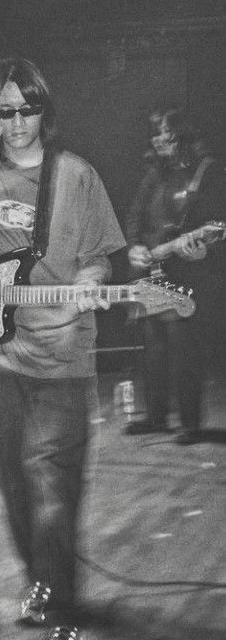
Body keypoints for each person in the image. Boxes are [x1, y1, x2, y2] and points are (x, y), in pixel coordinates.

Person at [0, 57, 126, 640]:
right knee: (15, 486)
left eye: (28, 108)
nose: (17, 123)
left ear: (45, 108)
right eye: (4, 111)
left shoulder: (77, 175)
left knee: (55, 493)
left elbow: (101, 257)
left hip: (63, 359)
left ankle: (64, 617)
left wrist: (90, 280)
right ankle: (38, 577)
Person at [125, 108, 226, 444]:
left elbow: (218, 225)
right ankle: (155, 418)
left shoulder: (206, 171)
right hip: (152, 272)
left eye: (166, 134)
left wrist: (203, 245)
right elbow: (135, 217)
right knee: (153, 348)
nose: (160, 141)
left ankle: (190, 424)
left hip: (189, 274)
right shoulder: (154, 173)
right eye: (155, 135)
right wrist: (134, 247)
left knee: (185, 349)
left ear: (182, 134)